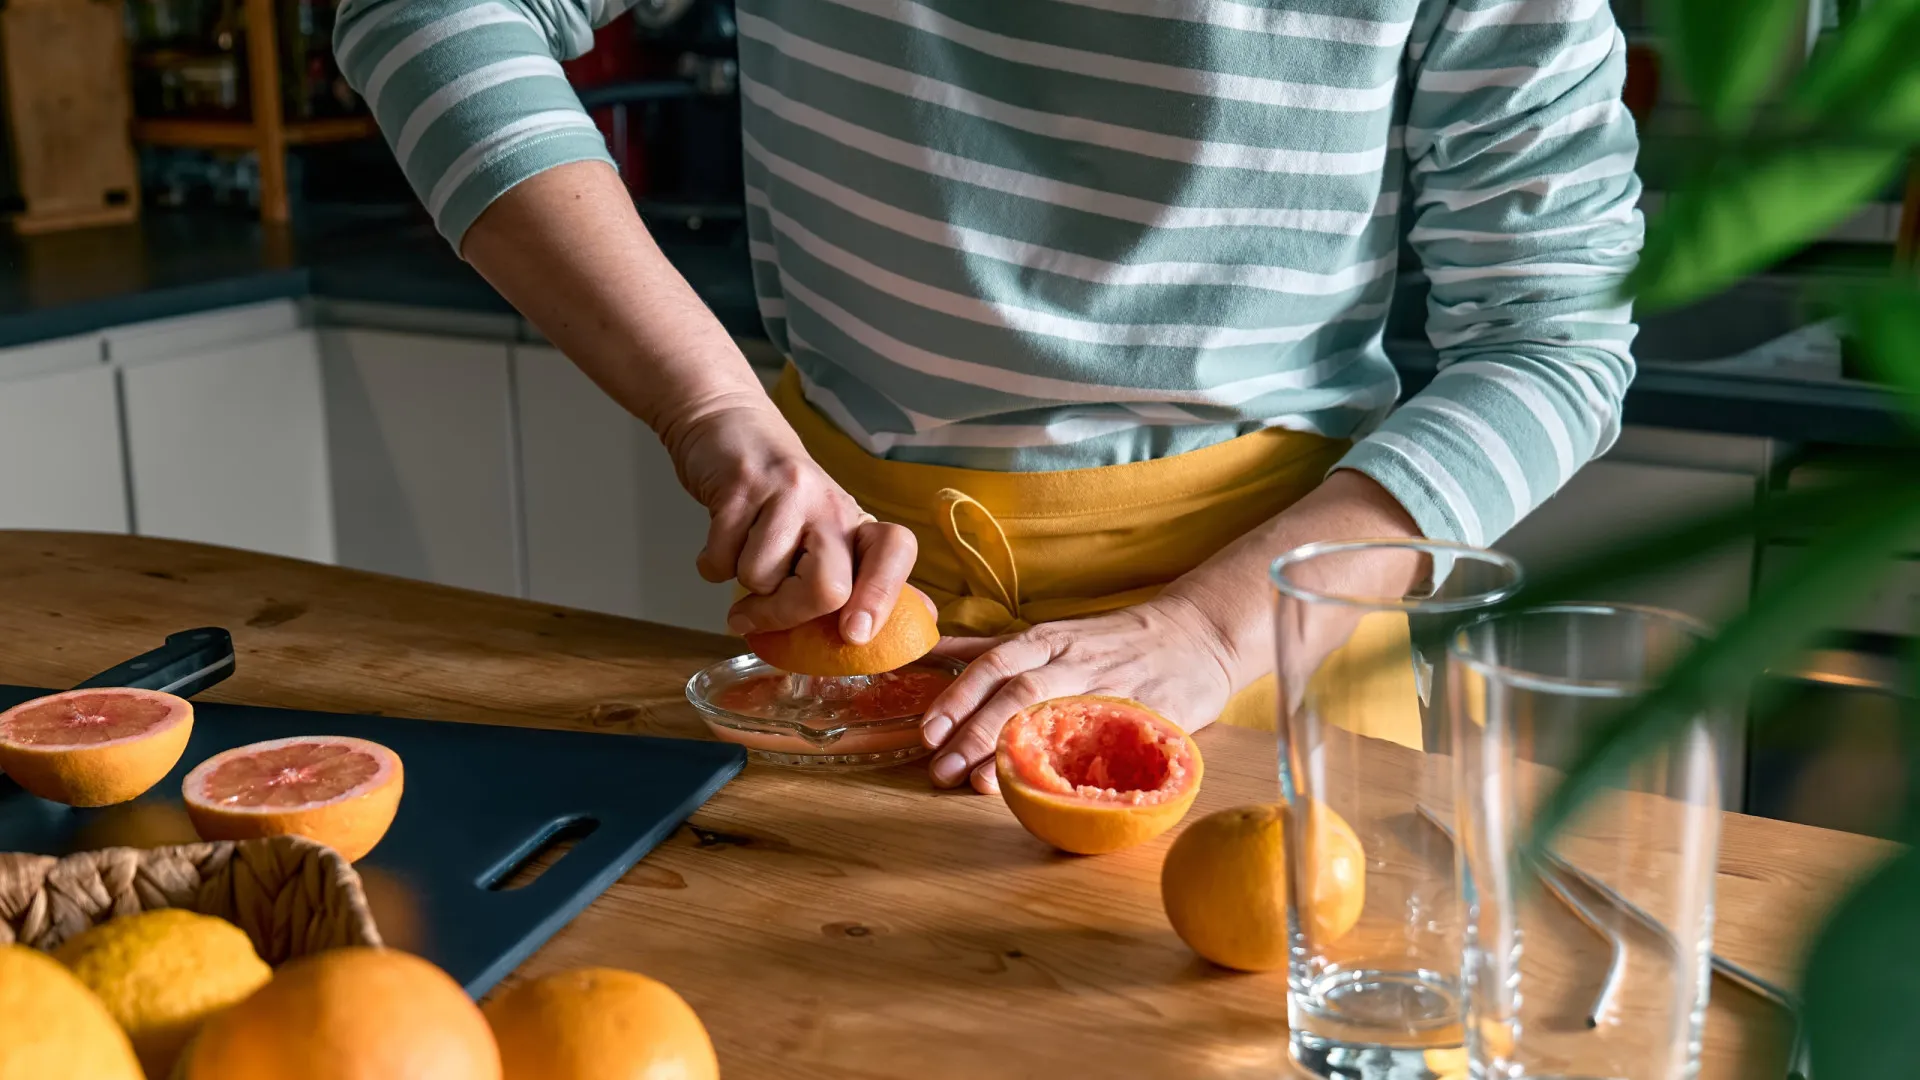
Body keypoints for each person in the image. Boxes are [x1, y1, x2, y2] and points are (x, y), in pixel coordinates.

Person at [334, 0, 1641, 793]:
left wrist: (1216, 633)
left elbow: (1554, 342)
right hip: (856, 644)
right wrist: (716, 411)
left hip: (1266, 651)